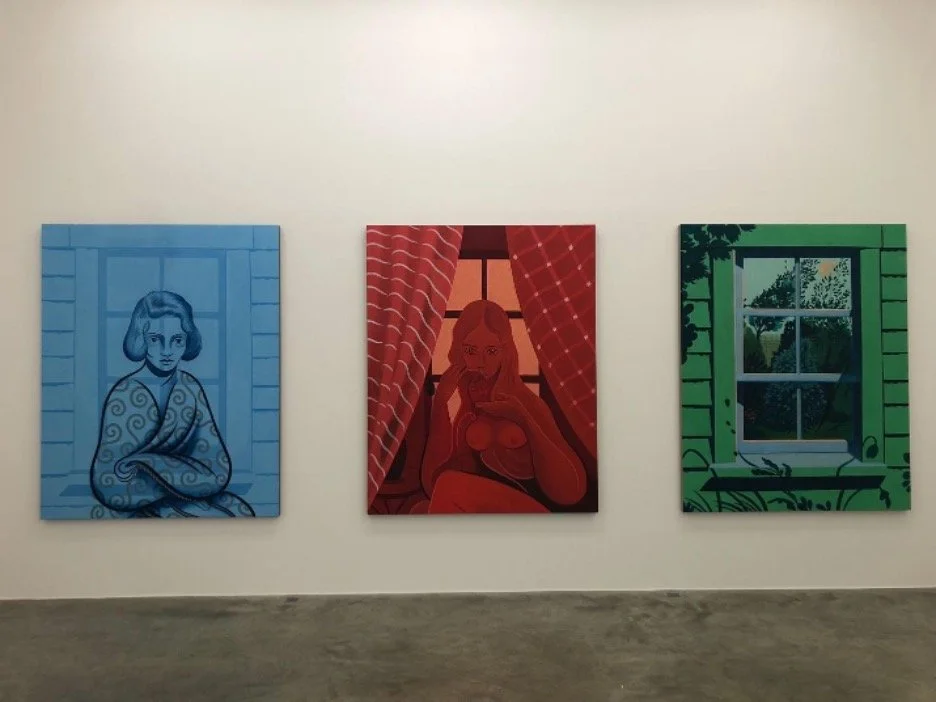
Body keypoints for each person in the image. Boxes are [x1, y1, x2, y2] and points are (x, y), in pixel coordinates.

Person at [90, 291, 254, 518]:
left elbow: (216, 466)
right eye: (155, 339)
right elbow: (109, 476)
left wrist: (146, 464)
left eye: (177, 340)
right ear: (141, 338)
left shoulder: (190, 387)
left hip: (184, 491)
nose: (167, 351)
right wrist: (173, 474)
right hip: (133, 492)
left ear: (187, 340)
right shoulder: (124, 392)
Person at [420, 300, 586, 513]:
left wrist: (522, 418)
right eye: (471, 350)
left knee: (449, 486)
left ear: (505, 352)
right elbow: (432, 483)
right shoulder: (467, 409)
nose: (481, 362)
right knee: (423, 506)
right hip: (491, 509)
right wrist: (441, 402)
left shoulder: (525, 402)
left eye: (491, 351)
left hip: (533, 509)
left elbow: (571, 491)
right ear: (460, 352)